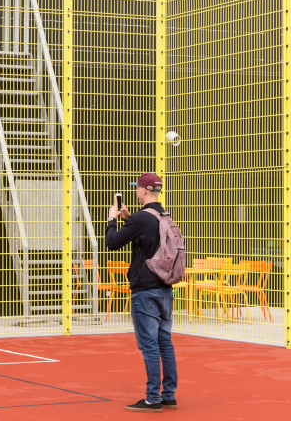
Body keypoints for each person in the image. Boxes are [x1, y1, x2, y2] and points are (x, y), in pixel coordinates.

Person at [105, 172, 178, 413]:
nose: (136, 192)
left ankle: (152, 399)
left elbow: (113, 243)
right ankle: (168, 395)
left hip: (145, 291)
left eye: (137, 188)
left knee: (149, 345)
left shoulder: (140, 219)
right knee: (165, 343)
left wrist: (112, 219)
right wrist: (129, 218)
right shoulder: (164, 217)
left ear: (144, 190)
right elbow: (146, 237)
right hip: (165, 289)